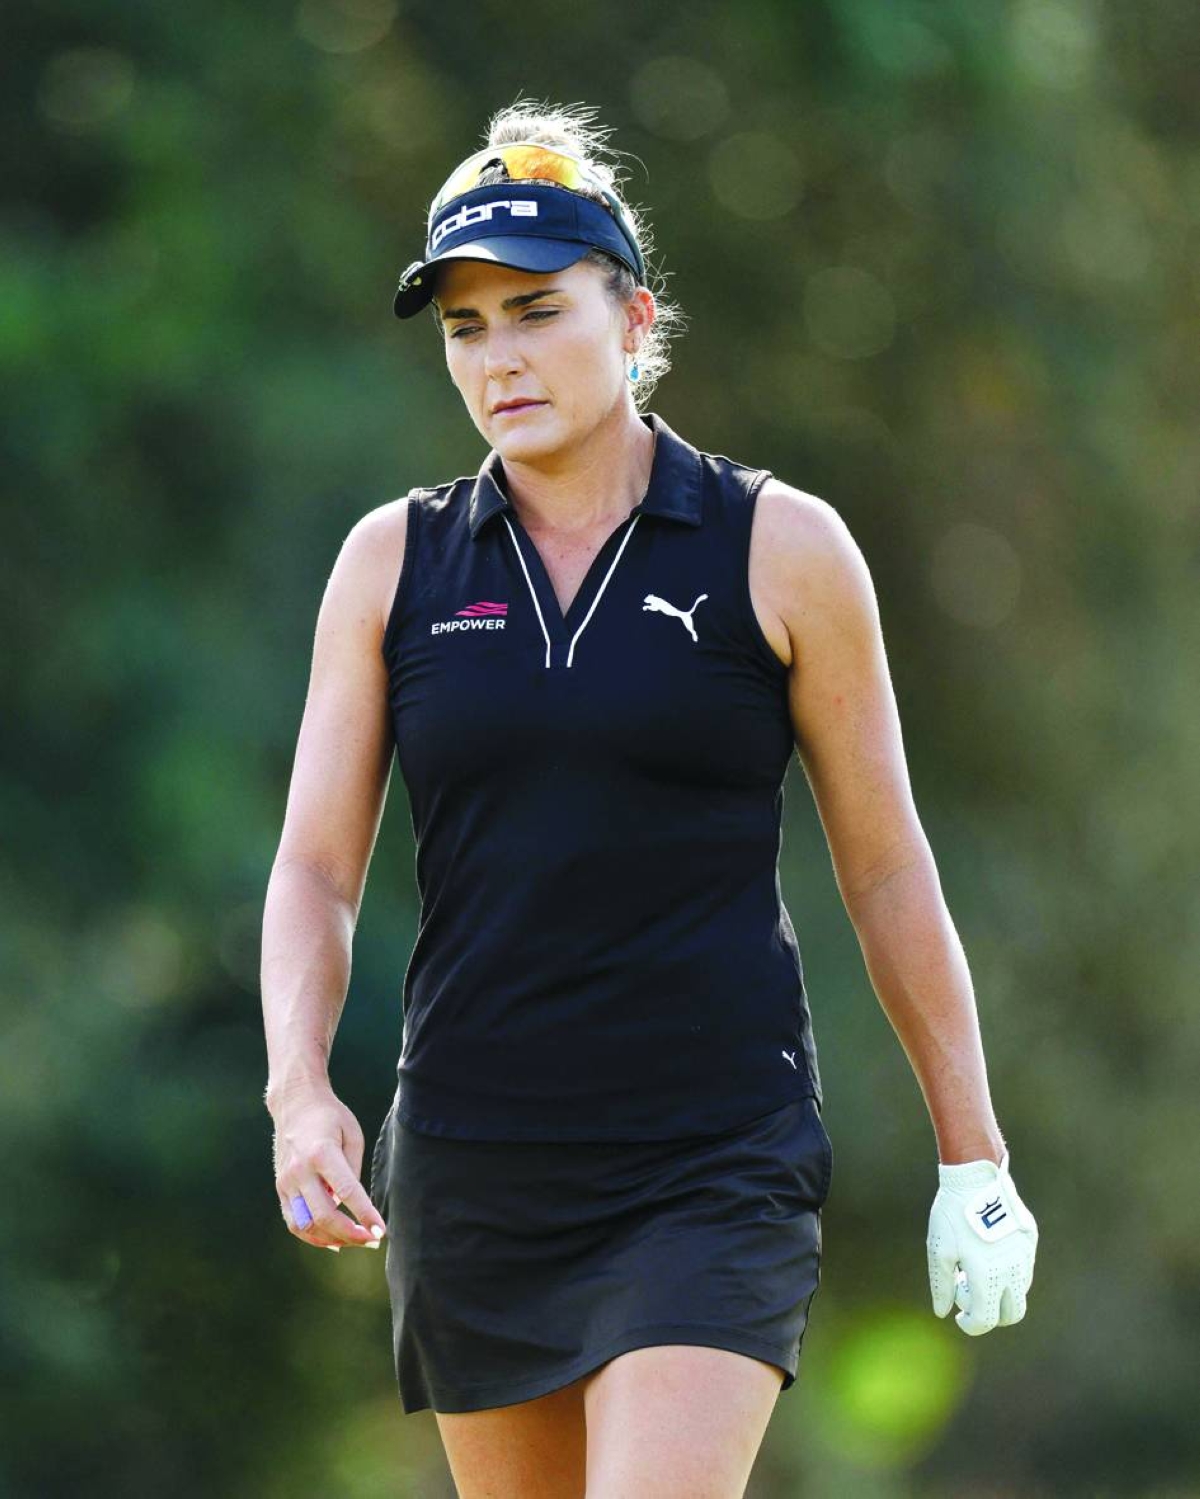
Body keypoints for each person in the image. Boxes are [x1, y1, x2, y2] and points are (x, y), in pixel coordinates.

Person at [260, 99, 1038, 1499]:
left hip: (712, 1159)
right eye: (465, 327)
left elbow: (886, 867)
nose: (499, 357)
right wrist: (299, 1093)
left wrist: (970, 1153)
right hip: (478, 1165)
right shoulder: (395, 564)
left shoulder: (781, 547)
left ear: (634, 320)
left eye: (536, 311)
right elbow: (316, 870)